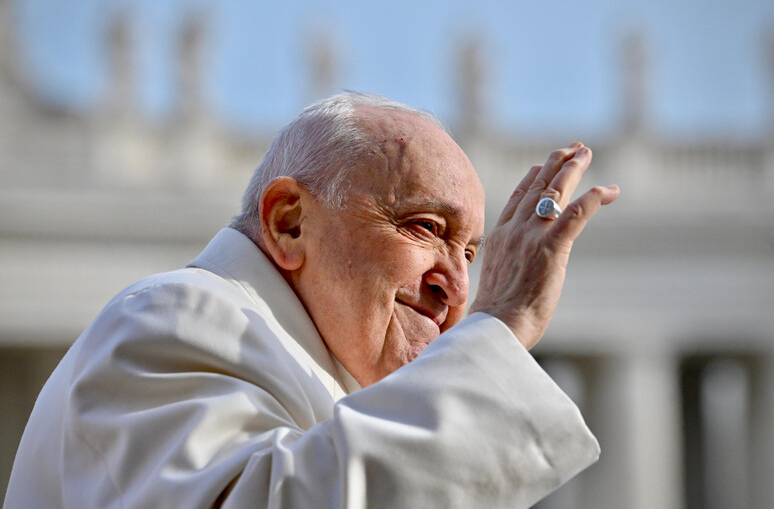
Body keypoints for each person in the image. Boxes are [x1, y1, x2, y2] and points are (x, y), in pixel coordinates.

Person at [5, 92, 619, 508]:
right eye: (427, 228)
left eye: (471, 254)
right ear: (290, 222)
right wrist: (503, 323)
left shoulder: (333, 387)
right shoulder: (174, 315)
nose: (457, 288)